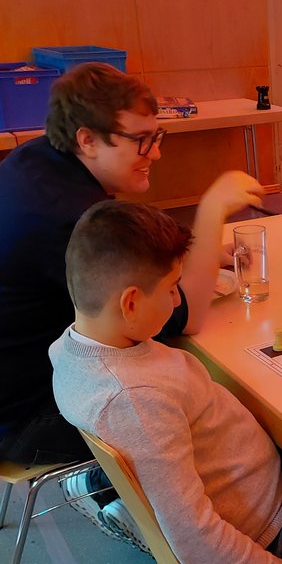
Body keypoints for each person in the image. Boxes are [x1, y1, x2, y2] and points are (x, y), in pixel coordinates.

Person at [50, 200, 282, 564]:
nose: (178, 299)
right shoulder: (135, 399)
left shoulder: (72, 350)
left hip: (257, 482)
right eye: (171, 288)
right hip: (270, 529)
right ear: (131, 304)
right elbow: (196, 542)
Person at [0, 62, 262, 540]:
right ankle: (120, 496)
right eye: (141, 140)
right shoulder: (69, 219)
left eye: (156, 136)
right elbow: (184, 317)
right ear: (87, 140)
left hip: (20, 381)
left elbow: (132, 251)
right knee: (204, 402)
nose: (155, 152)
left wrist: (197, 257)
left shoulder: (35, 160)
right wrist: (210, 214)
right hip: (28, 419)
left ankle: (107, 487)